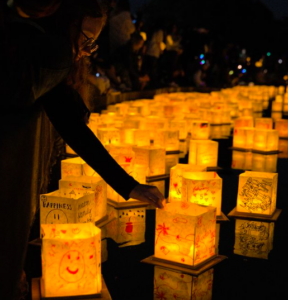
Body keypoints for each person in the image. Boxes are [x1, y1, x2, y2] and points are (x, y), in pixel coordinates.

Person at [0, 1, 163, 299]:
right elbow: (72, 126)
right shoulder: (49, 53)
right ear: (65, 24)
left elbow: (73, 128)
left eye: (94, 42)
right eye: (86, 39)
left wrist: (129, 186)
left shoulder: (29, 45)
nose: (87, 49)